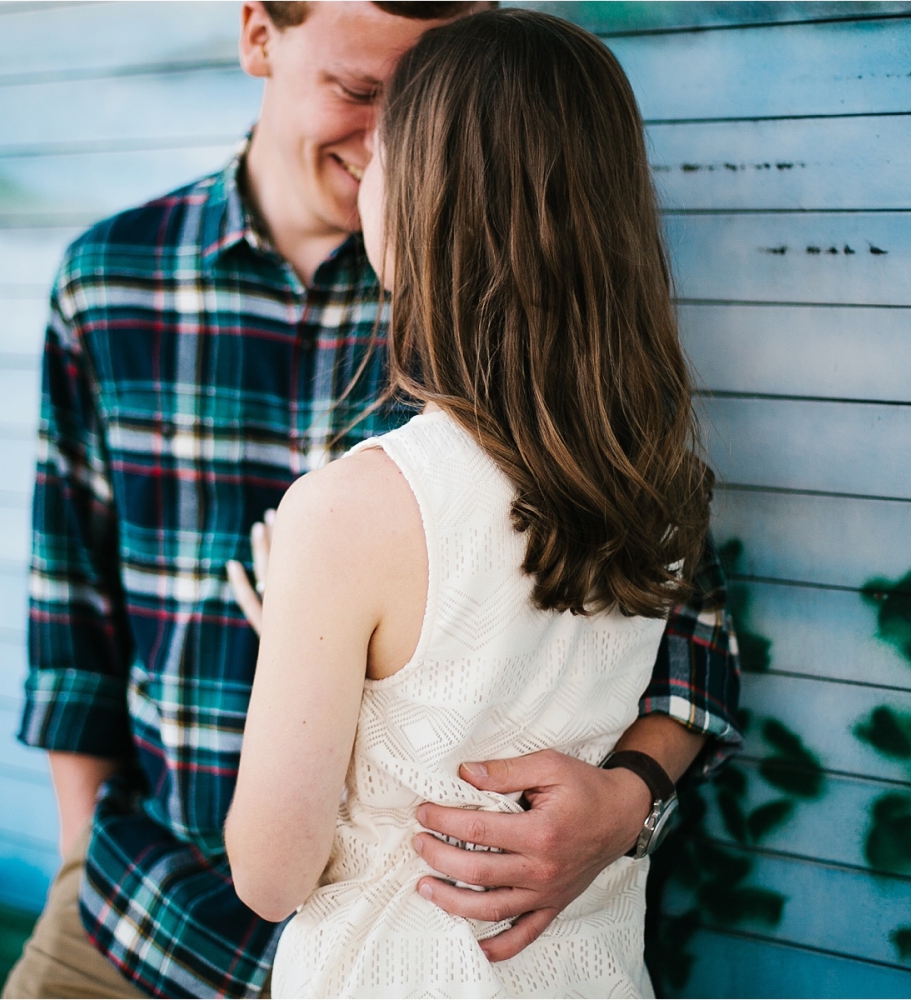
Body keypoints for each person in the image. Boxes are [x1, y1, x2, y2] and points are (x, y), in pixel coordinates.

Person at [2, 3, 741, 998]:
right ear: (259, 36)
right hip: (140, 909)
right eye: (360, 92)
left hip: (420, 942)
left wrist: (627, 801)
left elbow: (691, 635)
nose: (392, 134)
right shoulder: (110, 281)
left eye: (425, 103)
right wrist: (78, 849)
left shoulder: (494, 315)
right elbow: (69, 621)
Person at [224, 10, 712, 996]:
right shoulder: (658, 471)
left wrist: (295, 637)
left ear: (419, 206)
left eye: (388, 151)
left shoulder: (348, 512)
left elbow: (269, 875)